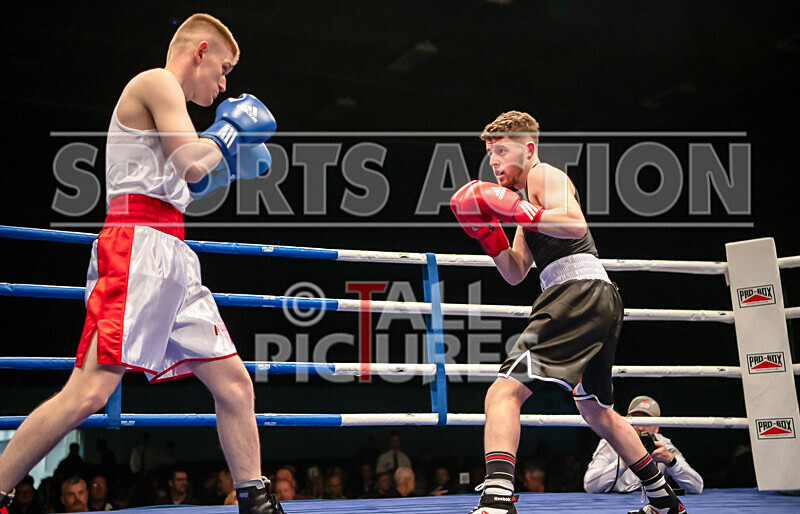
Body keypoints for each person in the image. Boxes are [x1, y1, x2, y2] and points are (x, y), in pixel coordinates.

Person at [0, 13, 281, 514]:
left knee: (235, 385)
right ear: (200, 50)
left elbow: (189, 181)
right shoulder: (156, 82)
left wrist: (227, 168)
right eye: (223, 69)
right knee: (89, 393)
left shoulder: (176, 114)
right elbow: (192, 163)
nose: (224, 84)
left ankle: (256, 501)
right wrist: (229, 132)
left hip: (173, 253)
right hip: (137, 247)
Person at [451, 111, 686, 514]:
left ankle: (497, 497)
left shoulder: (545, 175)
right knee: (598, 411)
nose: (494, 162)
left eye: (502, 151)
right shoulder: (525, 207)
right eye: (490, 155)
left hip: (576, 293)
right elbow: (515, 272)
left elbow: (574, 224)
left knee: (503, 392)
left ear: (528, 148)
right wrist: (486, 234)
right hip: (594, 297)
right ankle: (664, 499)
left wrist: (518, 211)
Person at [584, 396, 704, 494]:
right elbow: (589, 485)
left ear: (656, 427)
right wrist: (624, 462)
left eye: (647, 421)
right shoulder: (610, 442)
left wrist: (671, 461)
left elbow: (697, 487)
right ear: (626, 421)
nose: (641, 427)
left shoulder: (663, 445)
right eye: (636, 420)